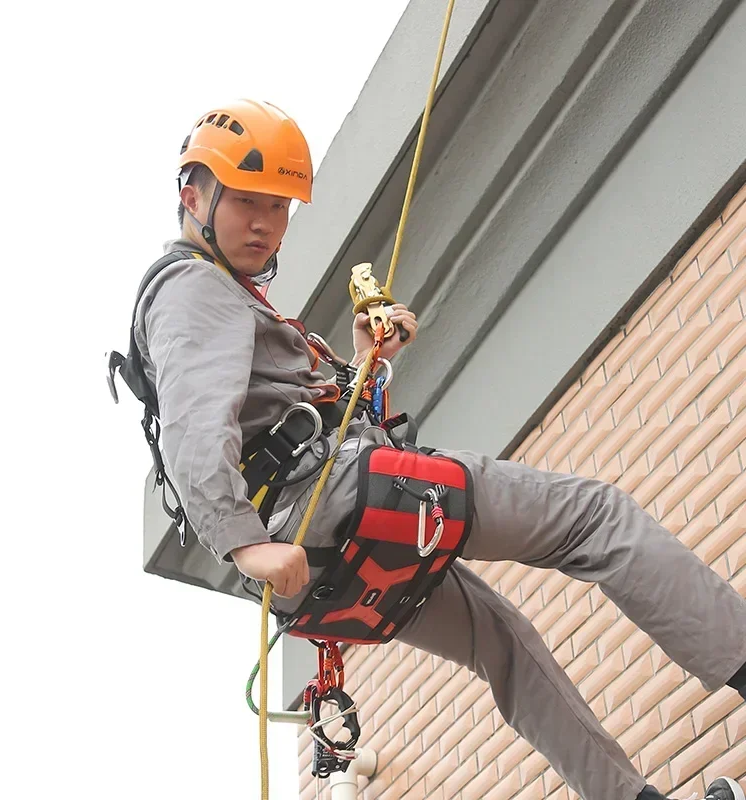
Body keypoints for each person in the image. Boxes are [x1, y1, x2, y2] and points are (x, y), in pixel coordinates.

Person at [128, 99, 746, 800]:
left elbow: (272, 418)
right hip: (329, 506)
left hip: (322, 551)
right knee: (594, 519)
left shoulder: (224, 298)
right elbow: (192, 426)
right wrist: (242, 543)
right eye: (245, 202)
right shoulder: (192, 288)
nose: (267, 223)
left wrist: (366, 362)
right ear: (192, 194)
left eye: (280, 205)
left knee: (503, 644)